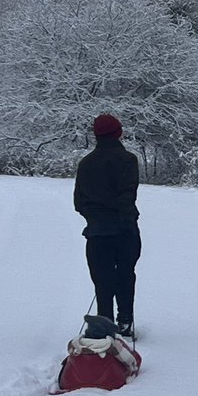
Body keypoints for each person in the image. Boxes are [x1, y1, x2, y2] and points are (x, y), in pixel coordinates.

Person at [74, 113, 141, 338]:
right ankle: (125, 322)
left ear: (96, 135)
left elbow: (79, 202)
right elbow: (127, 196)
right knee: (125, 275)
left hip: (96, 232)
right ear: (119, 133)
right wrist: (128, 221)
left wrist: (95, 218)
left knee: (102, 280)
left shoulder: (86, 163)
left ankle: (104, 324)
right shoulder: (128, 160)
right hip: (124, 230)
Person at [56, 314, 141, 392]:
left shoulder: (75, 345)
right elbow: (132, 361)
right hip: (108, 383)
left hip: (70, 383)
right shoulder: (113, 347)